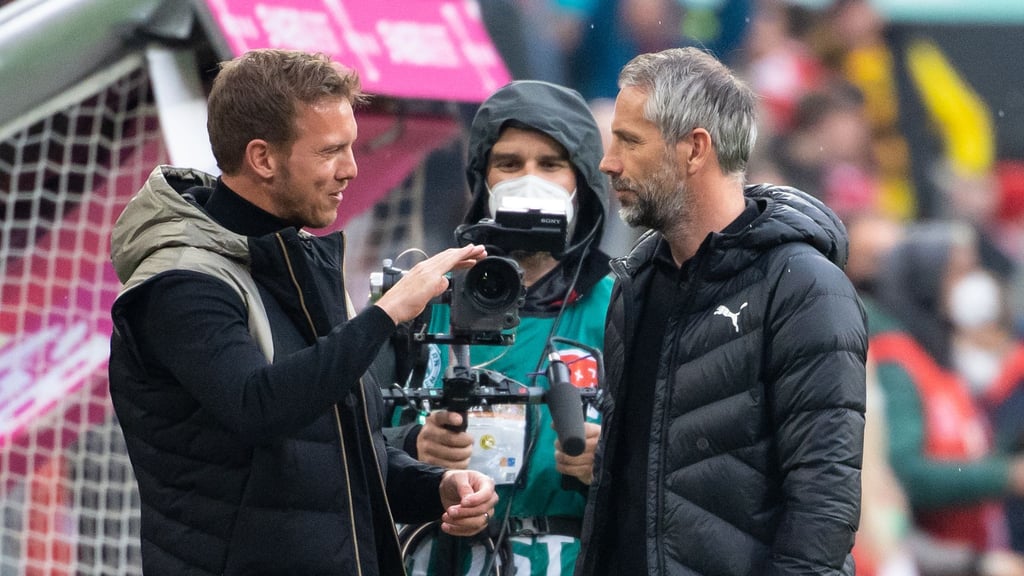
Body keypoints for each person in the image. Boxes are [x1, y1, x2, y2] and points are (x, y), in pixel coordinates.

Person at [107, 49, 498, 575]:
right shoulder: (180, 283)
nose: (351, 169)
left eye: (352, 147)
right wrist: (385, 314)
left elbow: (335, 457)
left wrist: (437, 489)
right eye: (331, 151)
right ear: (264, 158)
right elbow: (259, 408)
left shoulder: (298, 261)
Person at [576, 47, 868, 575]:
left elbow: (824, 504)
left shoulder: (805, 286)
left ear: (694, 149)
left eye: (629, 141)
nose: (608, 161)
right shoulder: (636, 283)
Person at [385, 79, 614, 575]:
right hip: (437, 556)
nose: (529, 179)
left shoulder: (622, 302)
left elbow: (679, 454)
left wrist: (614, 461)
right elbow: (351, 436)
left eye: (551, 164)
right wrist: (414, 446)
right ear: (482, 179)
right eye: (509, 164)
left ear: (584, 182)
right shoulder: (426, 293)